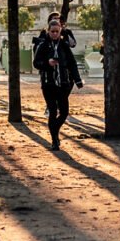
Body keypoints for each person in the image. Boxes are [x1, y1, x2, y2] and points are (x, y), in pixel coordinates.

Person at [33, 20, 83, 150]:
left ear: (60, 31)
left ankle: (54, 129)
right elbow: (36, 63)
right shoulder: (43, 45)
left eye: (57, 31)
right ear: (48, 31)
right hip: (48, 84)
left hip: (63, 84)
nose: (54, 34)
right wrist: (47, 63)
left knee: (64, 112)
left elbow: (72, 63)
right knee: (53, 111)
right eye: (52, 31)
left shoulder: (64, 46)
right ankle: (55, 140)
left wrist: (77, 80)